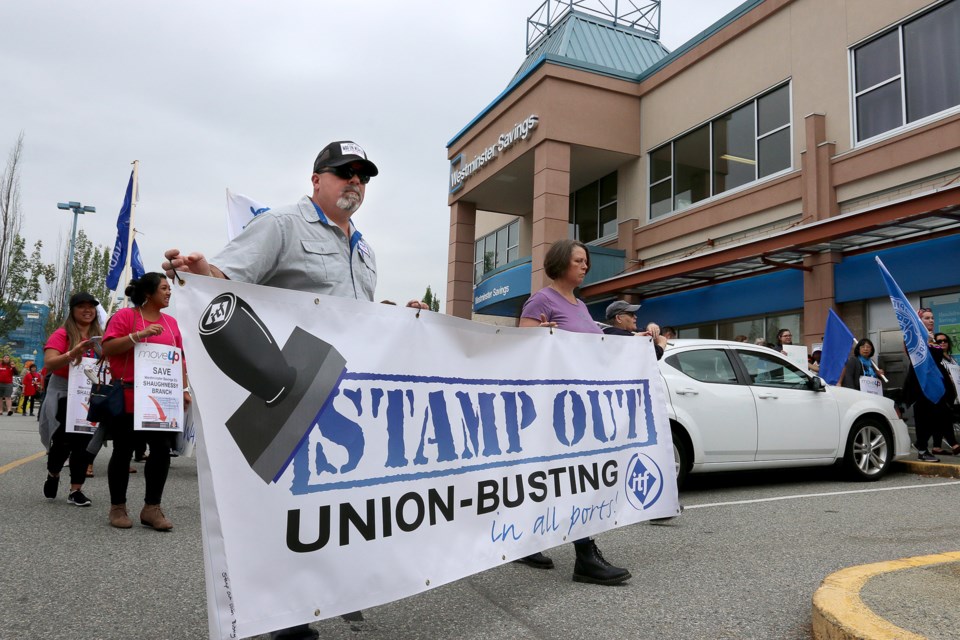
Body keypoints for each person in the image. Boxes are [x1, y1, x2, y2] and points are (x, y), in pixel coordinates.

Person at [163, 141, 425, 640]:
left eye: (363, 176)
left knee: (335, 504)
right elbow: (225, 280)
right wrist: (203, 274)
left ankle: (320, 595)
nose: (355, 182)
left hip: (345, 396)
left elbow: (357, 319)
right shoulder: (282, 225)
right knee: (290, 506)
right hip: (291, 391)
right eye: (345, 172)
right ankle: (289, 621)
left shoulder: (364, 249)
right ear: (316, 179)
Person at [517, 238, 631, 586]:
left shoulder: (580, 305)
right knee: (572, 475)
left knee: (560, 474)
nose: (585, 266)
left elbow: (595, 342)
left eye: (586, 261)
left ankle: (525, 540)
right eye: (578, 260)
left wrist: (636, 341)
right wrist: (543, 334)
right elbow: (521, 344)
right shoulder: (541, 300)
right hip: (555, 404)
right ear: (560, 263)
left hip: (581, 403)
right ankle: (585, 556)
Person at [100, 273, 189, 531]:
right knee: (123, 450)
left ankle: (152, 507)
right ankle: (118, 507)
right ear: (148, 294)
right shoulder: (126, 317)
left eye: (169, 288)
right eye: (164, 288)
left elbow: (179, 358)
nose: (169, 292)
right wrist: (138, 335)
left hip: (161, 399)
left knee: (161, 450)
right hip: (129, 396)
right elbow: (107, 349)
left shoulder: (172, 324)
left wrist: (183, 388)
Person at [40, 292, 102, 506]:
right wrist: (71, 353)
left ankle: (76, 490)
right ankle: (53, 473)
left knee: (84, 443)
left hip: (89, 395)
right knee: (63, 442)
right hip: (64, 394)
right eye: (81, 306)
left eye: (91, 306)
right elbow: (49, 363)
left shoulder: (101, 337)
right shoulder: (62, 334)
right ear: (73, 310)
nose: (87, 310)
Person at [903, 339, 959, 462]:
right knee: (924, 418)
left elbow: (938, 355)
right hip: (922, 385)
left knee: (940, 417)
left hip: (936, 384)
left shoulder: (930, 340)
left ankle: (921, 444)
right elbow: (912, 353)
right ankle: (922, 450)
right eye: (927, 318)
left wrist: (932, 342)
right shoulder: (915, 336)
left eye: (932, 318)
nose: (931, 320)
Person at [601, 300, 667, 359]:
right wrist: (662, 343)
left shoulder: (629, 333)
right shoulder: (614, 336)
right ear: (618, 318)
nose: (635, 317)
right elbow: (652, 355)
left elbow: (653, 331)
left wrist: (652, 326)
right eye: (631, 314)